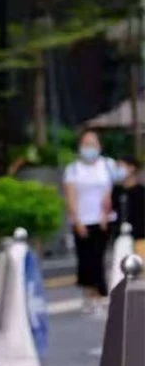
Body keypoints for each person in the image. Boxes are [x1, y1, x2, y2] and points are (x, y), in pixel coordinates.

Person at [63, 129, 114, 314]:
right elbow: (71, 196)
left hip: (103, 220)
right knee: (85, 259)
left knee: (98, 258)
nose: (89, 148)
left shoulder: (108, 165)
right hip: (82, 220)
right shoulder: (73, 169)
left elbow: (111, 192)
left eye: (92, 144)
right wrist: (77, 220)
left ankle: (100, 295)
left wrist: (105, 215)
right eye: (85, 144)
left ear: (99, 146)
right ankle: (88, 294)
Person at [111, 155, 145, 259]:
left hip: (140, 239)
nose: (118, 170)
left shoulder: (141, 192)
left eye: (121, 166)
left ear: (132, 168)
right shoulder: (116, 192)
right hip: (120, 239)